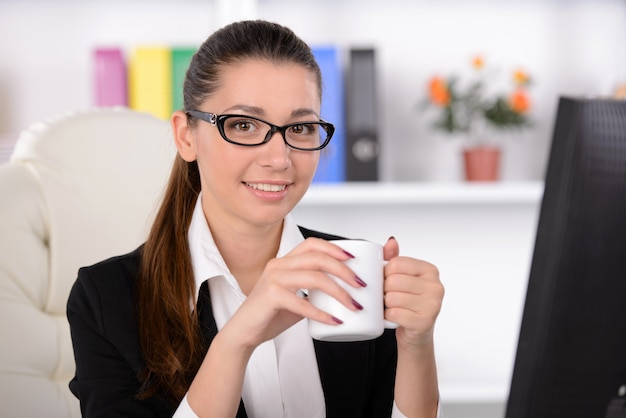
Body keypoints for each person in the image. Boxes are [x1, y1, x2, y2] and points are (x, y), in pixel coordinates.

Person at [67, 20, 444, 418]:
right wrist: (238, 339)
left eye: (300, 128)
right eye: (244, 125)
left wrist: (416, 344)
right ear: (186, 136)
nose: (279, 159)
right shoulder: (106, 299)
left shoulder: (352, 274)